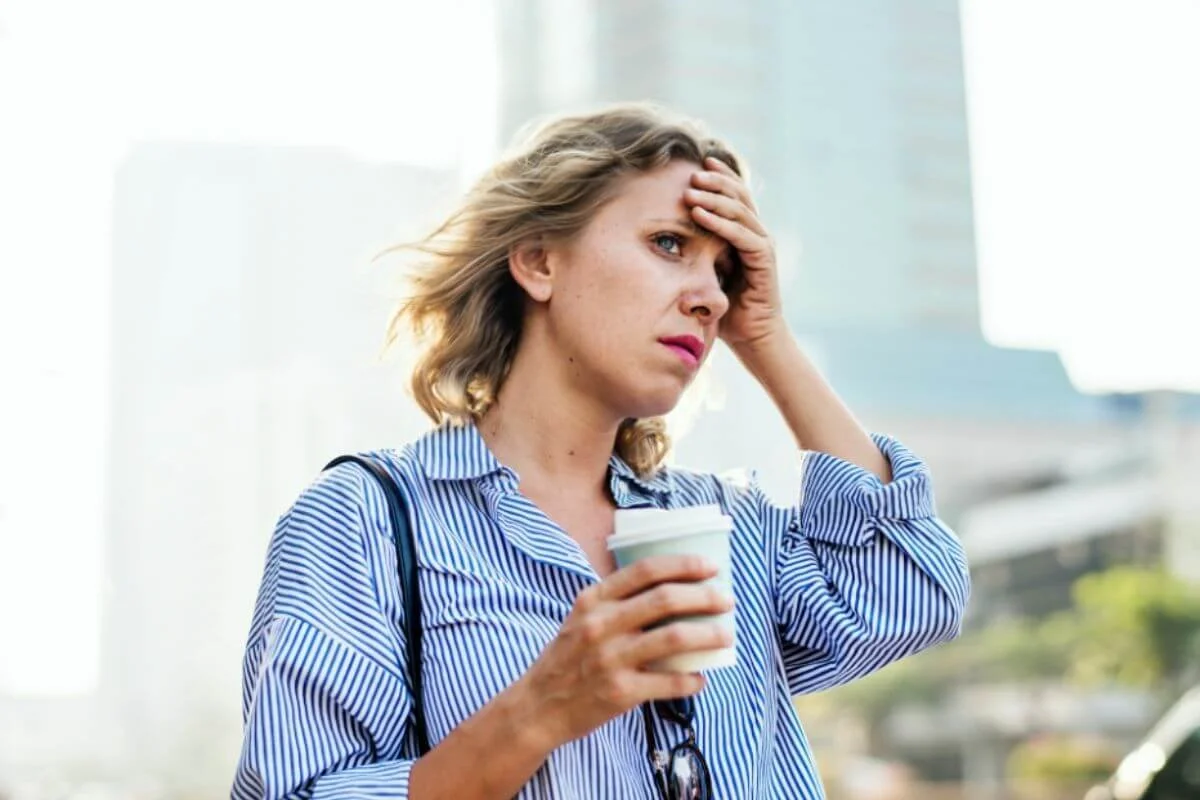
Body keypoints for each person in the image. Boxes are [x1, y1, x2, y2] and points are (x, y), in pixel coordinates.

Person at [232, 103, 971, 799]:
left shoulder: (722, 527)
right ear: (538, 261)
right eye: (670, 245)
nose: (710, 298)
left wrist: (768, 336)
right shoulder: (363, 526)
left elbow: (908, 590)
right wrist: (538, 712)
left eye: (724, 273)